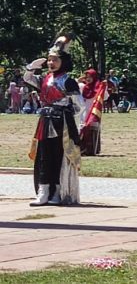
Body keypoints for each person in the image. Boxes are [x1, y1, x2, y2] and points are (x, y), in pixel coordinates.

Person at [23, 35, 82, 206]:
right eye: (49, 60)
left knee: (58, 155)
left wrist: (70, 118)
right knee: (43, 155)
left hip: (61, 123)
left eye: (54, 60)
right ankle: (43, 191)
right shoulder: (43, 80)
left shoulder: (68, 81)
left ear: (63, 61)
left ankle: (57, 192)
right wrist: (31, 67)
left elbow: (79, 106)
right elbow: (28, 78)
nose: (50, 63)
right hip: (45, 120)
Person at [78, 68, 107, 156]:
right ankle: (82, 148)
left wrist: (104, 87)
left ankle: (92, 149)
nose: (88, 79)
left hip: (93, 111)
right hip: (83, 111)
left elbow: (105, 97)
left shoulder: (98, 87)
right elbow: (73, 89)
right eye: (86, 77)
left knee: (92, 128)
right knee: (82, 128)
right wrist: (79, 80)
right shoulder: (83, 87)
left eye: (90, 77)